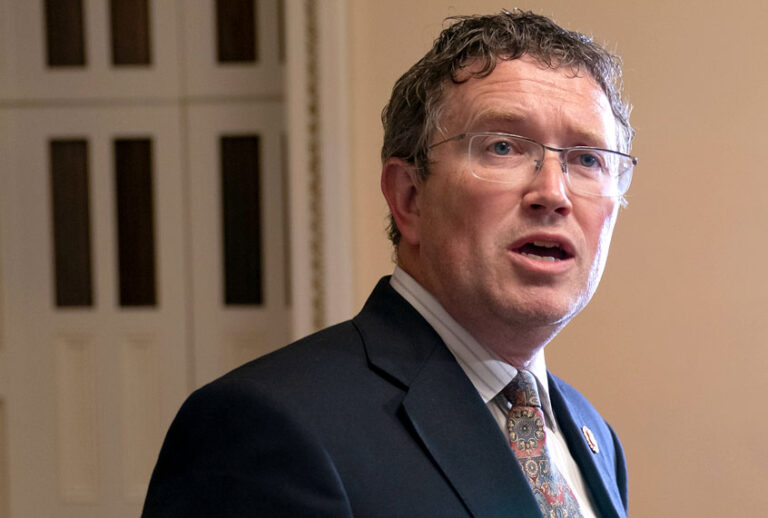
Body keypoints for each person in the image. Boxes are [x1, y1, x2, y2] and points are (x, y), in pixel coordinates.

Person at [143, 10, 636, 518]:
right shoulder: (262, 427)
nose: (553, 193)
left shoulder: (591, 435)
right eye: (503, 147)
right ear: (409, 198)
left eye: (588, 159)